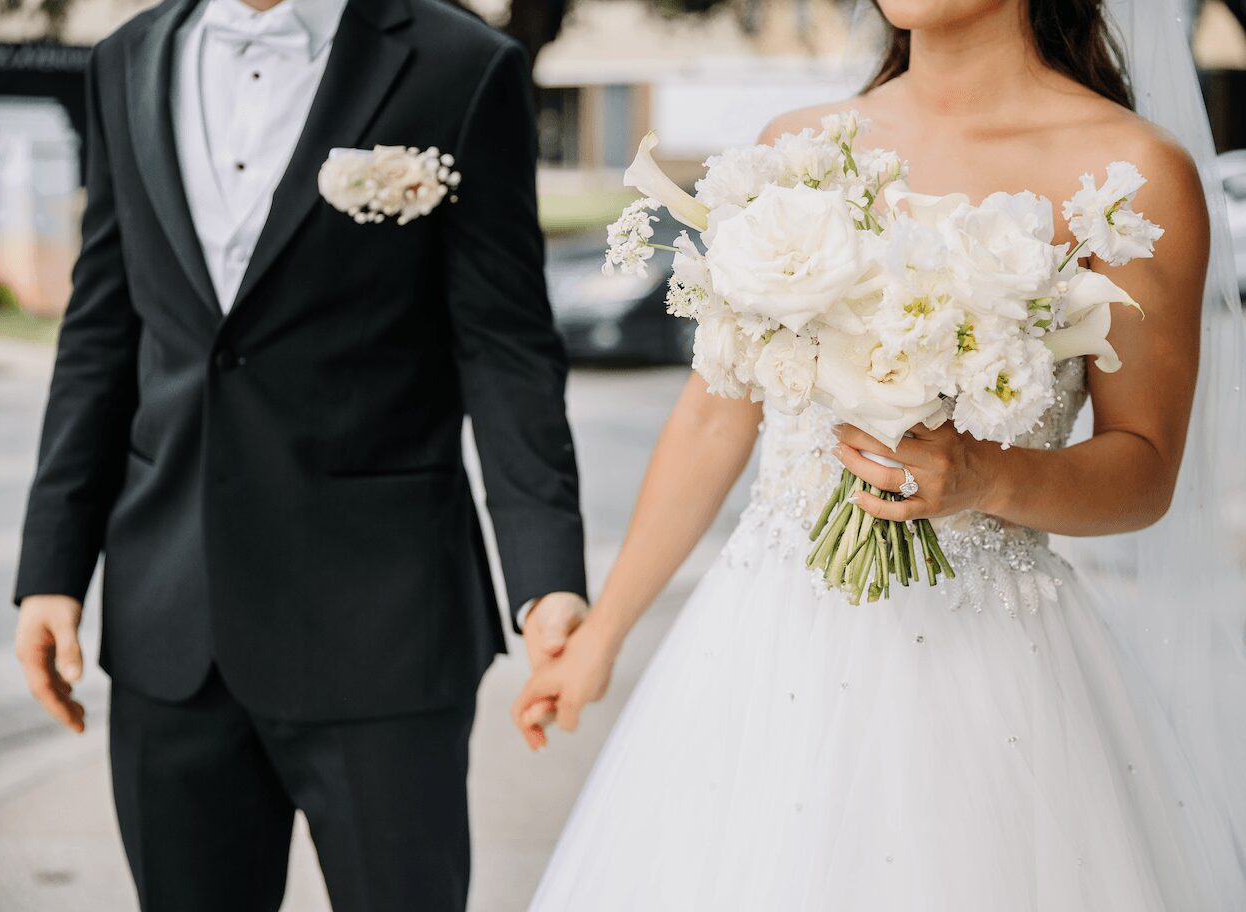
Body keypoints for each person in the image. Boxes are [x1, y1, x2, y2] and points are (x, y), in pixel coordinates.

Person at [515, 0, 1246, 908]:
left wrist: (987, 476)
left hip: (986, 668)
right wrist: (605, 634)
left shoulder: (1130, 172)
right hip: (762, 648)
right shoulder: (797, 149)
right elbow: (713, 421)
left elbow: (1142, 471)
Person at [11, 0, 588, 907]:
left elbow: (505, 349)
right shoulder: (124, 58)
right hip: (172, 622)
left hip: (383, 621)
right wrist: (51, 569)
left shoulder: (458, 62)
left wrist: (546, 578)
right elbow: (102, 333)